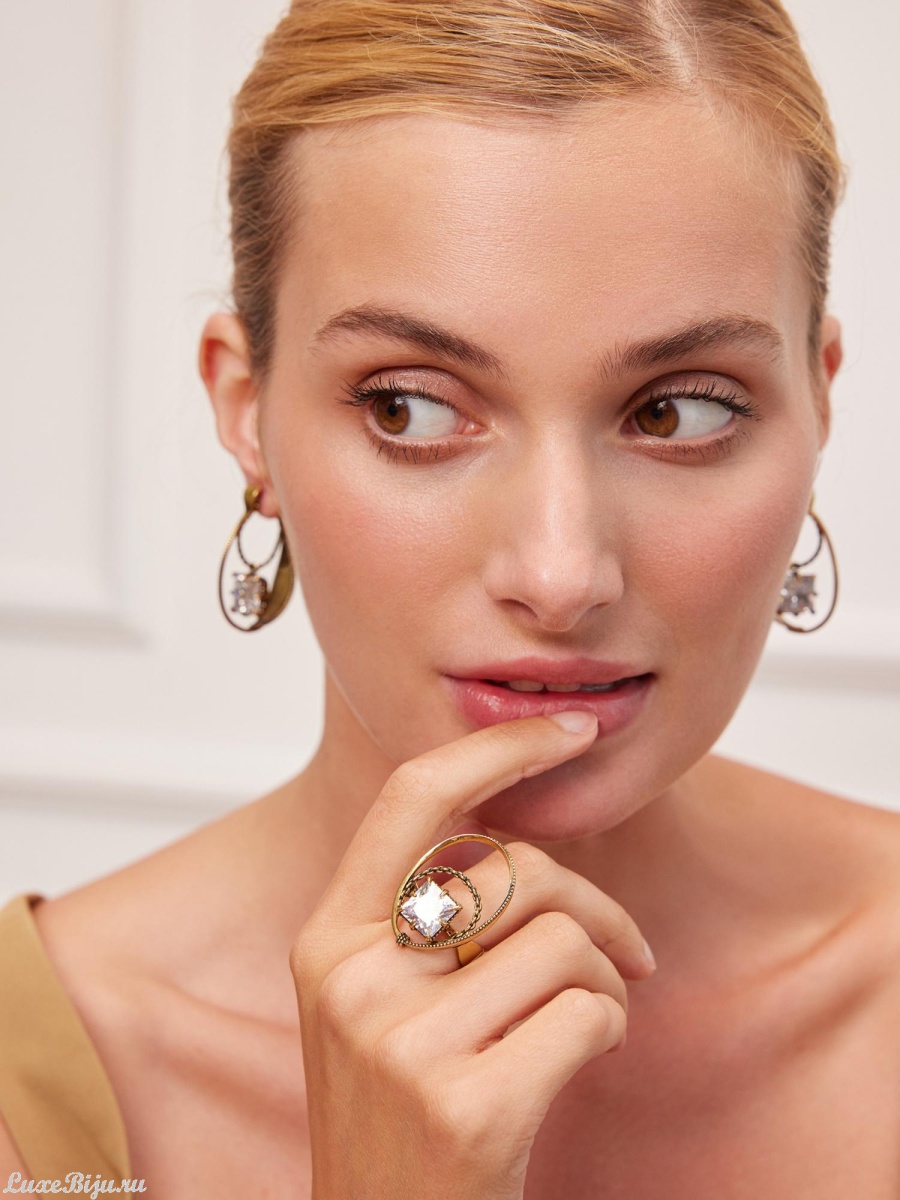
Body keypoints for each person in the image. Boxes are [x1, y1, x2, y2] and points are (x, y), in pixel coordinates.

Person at [2, 0, 898, 1194]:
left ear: (818, 404)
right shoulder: (35, 1075)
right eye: (410, 407)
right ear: (246, 411)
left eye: (679, 410)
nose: (561, 576)